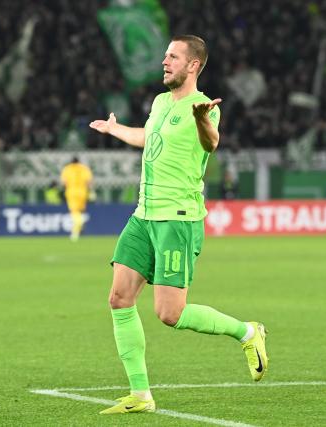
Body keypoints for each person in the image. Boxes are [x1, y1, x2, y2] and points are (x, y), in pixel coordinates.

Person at [89, 35, 269, 415]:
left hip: (177, 218)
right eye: (165, 56)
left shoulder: (203, 107)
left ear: (193, 65)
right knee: (119, 298)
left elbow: (211, 143)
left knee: (170, 314)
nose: (164, 61)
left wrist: (203, 120)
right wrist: (116, 131)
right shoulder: (159, 102)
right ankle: (140, 395)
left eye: (173, 56)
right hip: (144, 215)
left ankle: (248, 332)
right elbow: (150, 139)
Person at [60, 156, 93, 241]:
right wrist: (90, 192)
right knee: (81, 211)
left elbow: (64, 182)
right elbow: (89, 182)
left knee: (74, 212)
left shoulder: (67, 168)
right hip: (82, 192)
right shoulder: (84, 168)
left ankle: (76, 231)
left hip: (71, 192)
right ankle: (80, 226)